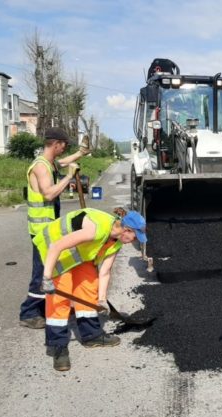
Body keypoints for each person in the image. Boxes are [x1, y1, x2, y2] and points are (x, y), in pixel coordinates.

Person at [35, 207, 148, 371]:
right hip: (55, 250)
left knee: (89, 286)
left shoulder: (116, 243)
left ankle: (91, 335)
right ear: (127, 229)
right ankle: (57, 346)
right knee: (61, 298)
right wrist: (46, 278)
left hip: (79, 253)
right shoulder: (96, 229)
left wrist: (102, 300)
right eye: (135, 237)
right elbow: (55, 246)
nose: (134, 241)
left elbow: (105, 272)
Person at [19, 128, 89, 329]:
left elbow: (63, 162)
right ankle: (29, 313)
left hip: (49, 228)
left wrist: (81, 153)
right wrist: (68, 178)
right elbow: (49, 194)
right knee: (42, 271)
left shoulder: (49, 163)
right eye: (64, 145)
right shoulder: (41, 167)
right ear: (56, 143)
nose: (65, 148)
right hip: (41, 230)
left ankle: (49, 305)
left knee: (54, 268)